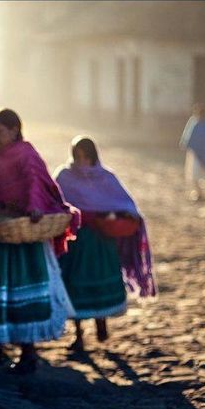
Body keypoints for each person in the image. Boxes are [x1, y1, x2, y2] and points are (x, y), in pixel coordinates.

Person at [0, 108, 79, 374]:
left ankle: (28, 352)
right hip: (1, 232)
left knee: (24, 289)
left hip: (25, 236)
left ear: (14, 130)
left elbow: (35, 183)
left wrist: (33, 207)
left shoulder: (27, 154)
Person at [54, 136, 157, 351]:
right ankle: (79, 334)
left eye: (86, 156)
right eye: (78, 156)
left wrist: (122, 217)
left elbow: (124, 203)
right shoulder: (64, 176)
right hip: (76, 241)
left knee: (101, 280)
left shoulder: (106, 177)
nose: (82, 161)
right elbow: (55, 202)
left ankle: (102, 323)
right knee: (74, 284)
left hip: (101, 242)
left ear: (93, 156)